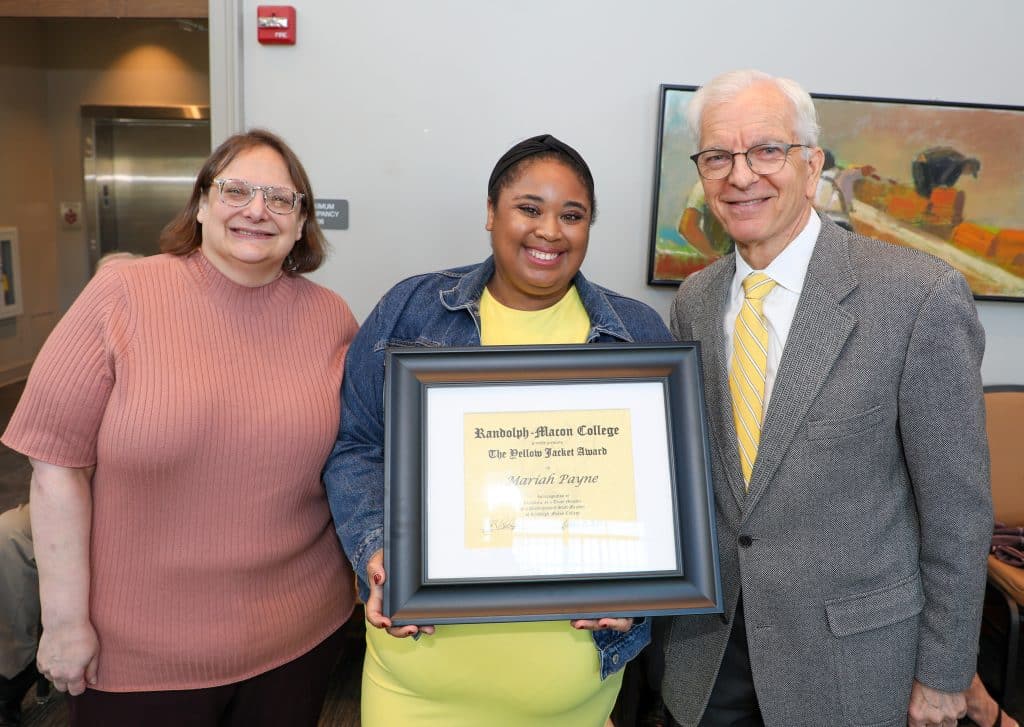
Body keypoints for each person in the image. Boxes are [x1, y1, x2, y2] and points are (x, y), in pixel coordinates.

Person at [661, 70, 992, 727]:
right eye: (717, 156)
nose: (740, 175)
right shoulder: (693, 301)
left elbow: (958, 509)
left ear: (811, 166)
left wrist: (945, 673)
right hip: (709, 656)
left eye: (766, 150)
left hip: (854, 665)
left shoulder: (918, 297)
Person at [1, 129, 359, 726]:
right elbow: (55, 465)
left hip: (298, 637)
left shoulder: (331, 318)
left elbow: (357, 454)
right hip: (140, 653)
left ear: (301, 224)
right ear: (199, 204)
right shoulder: (121, 296)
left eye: (279, 199)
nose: (255, 210)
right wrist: (64, 624)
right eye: (236, 190)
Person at [323, 133, 672, 726]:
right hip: (417, 678)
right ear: (491, 214)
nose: (550, 231)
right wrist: (378, 551)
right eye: (529, 209)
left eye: (572, 215)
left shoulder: (636, 332)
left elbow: (664, 492)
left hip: (571, 688)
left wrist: (641, 587)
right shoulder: (412, 309)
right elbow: (358, 448)